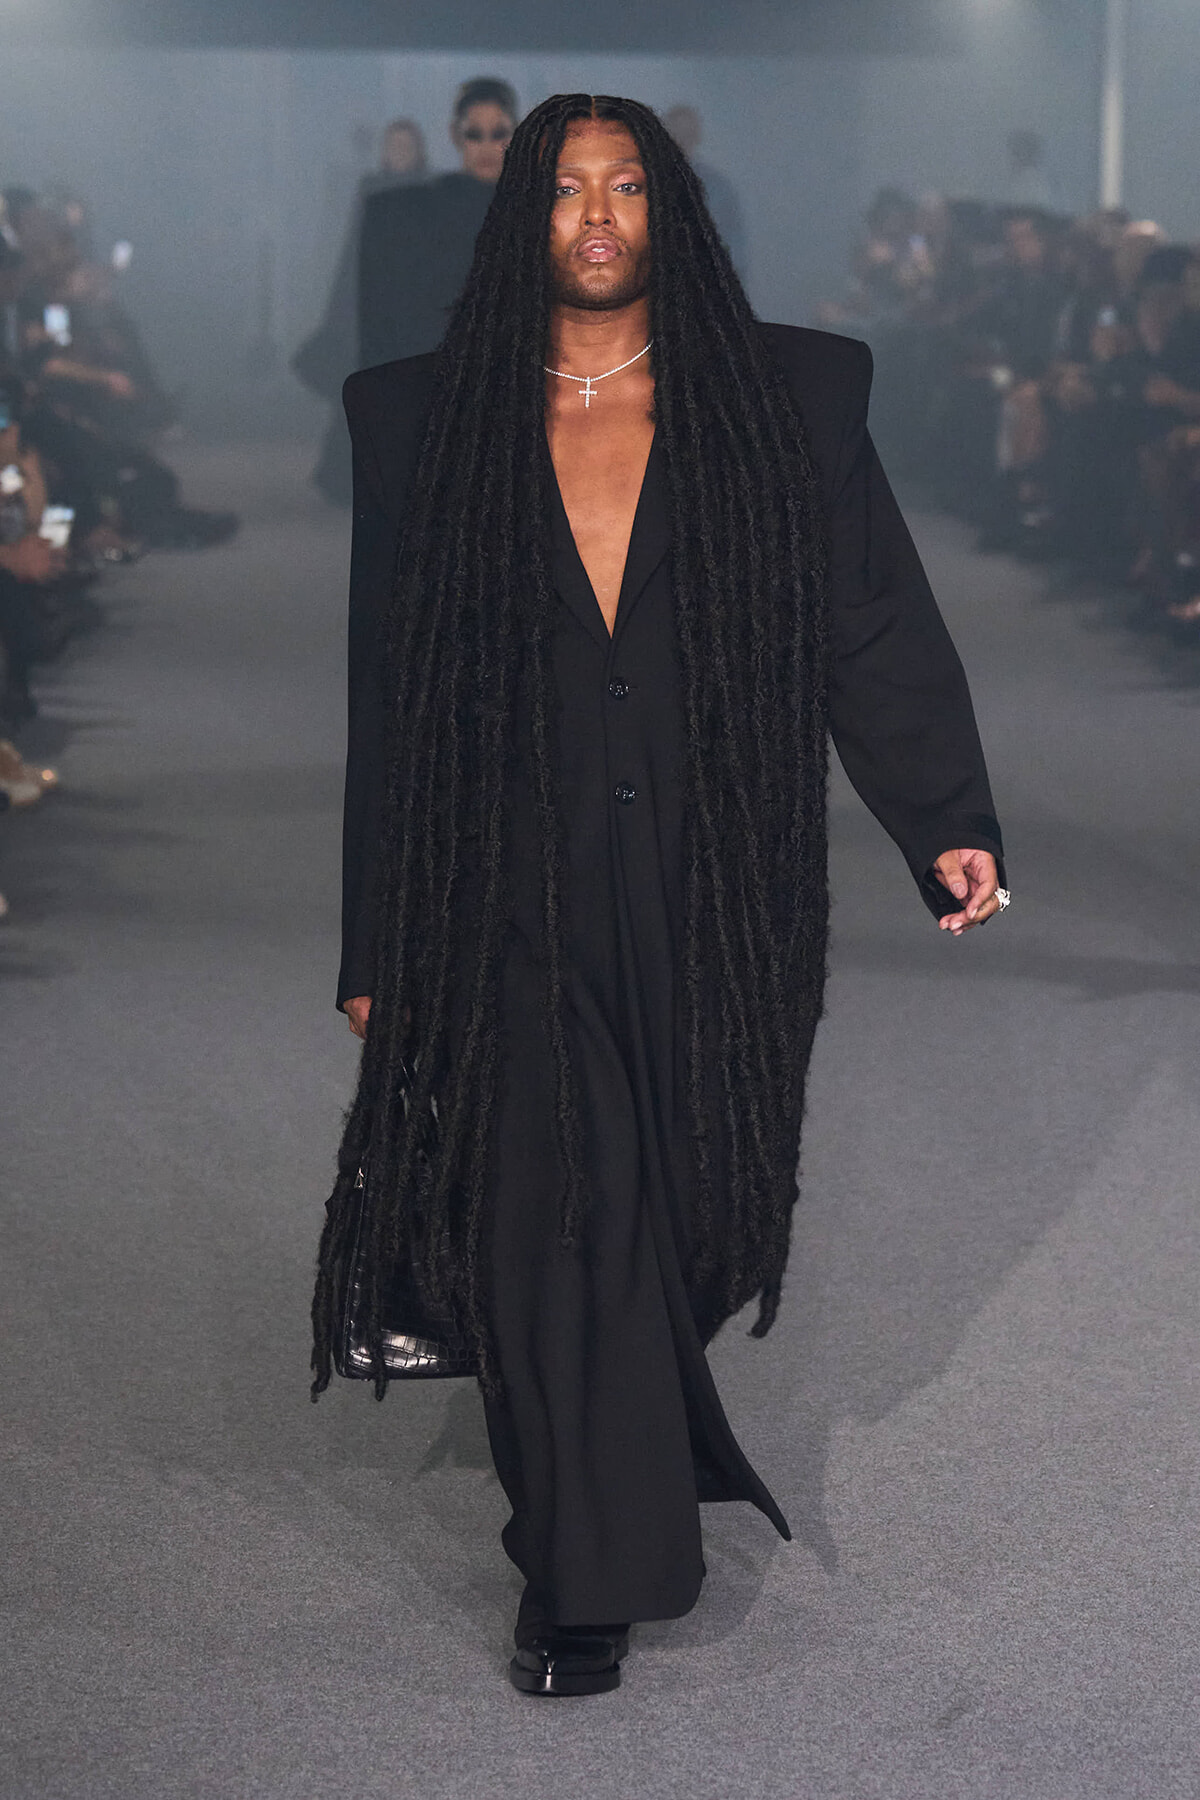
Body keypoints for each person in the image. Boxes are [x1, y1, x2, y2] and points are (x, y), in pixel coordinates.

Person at [312, 94, 1007, 1699]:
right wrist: (378, 935)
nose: (601, 212)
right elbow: (391, 693)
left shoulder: (790, 395)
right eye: (569, 190)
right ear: (522, 220)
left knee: (686, 1207)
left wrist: (943, 818)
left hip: (720, 875)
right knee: (560, 1202)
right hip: (508, 878)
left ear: (674, 211)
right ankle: (585, 1574)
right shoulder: (422, 419)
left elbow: (869, 622)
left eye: (630, 185)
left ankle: (628, 1426)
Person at [294, 118, 430, 505]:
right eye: (393, 147)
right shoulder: (370, 188)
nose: (399, 154)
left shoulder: (429, 192)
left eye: (405, 147)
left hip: (413, 310)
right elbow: (355, 248)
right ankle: (343, 479)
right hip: (375, 308)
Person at [357, 78, 518, 369]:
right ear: (455, 135)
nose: (486, 146)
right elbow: (389, 312)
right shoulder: (413, 212)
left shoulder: (536, 212)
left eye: (498, 133)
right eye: (474, 134)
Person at [664, 103, 746, 279]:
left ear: (696, 137)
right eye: (676, 134)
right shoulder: (642, 181)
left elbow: (733, 247)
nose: (681, 140)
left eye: (686, 134)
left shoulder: (717, 187)